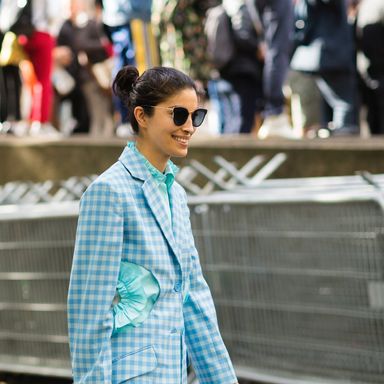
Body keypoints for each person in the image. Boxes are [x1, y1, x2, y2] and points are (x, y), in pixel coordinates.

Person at [67, 65, 238, 384]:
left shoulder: (177, 194)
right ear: (141, 116)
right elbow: (89, 312)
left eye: (195, 117)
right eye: (178, 115)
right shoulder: (109, 192)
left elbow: (194, 297)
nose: (189, 127)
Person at [290, 0, 359, 137]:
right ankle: (344, 148)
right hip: (330, 54)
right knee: (343, 106)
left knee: (328, 110)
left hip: (319, 55)